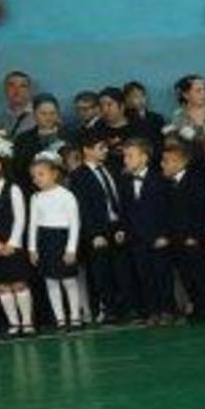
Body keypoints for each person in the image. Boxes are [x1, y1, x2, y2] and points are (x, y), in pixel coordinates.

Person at [70, 133, 128, 323]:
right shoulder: (78, 175)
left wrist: (122, 226)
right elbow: (83, 208)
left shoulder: (112, 168)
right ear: (87, 150)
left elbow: (120, 198)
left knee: (122, 270)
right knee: (102, 272)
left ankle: (126, 307)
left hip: (117, 226)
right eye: (100, 148)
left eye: (105, 147)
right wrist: (94, 234)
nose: (105, 151)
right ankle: (108, 309)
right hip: (97, 231)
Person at [27, 152, 84, 330]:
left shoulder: (67, 195)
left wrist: (71, 249)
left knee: (69, 281)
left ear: (54, 174)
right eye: (34, 176)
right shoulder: (35, 197)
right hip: (45, 241)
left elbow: (75, 224)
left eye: (41, 174)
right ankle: (59, 318)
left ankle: (75, 316)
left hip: (62, 239)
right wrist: (32, 248)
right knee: (51, 281)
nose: (37, 179)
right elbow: (33, 224)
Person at [118, 138, 172, 324]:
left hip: (158, 236)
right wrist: (122, 230)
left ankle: (167, 310)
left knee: (162, 275)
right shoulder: (124, 181)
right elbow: (124, 210)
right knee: (144, 276)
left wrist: (165, 234)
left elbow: (167, 210)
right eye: (125, 156)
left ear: (144, 158)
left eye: (130, 156)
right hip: (136, 237)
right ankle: (152, 311)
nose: (126, 159)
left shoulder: (160, 179)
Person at [0, 145, 35, 335]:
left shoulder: (12, 188)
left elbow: (20, 217)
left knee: (19, 283)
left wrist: (12, 243)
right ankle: (14, 323)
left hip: (13, 245)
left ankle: (27, 322)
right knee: (2, 286)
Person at [161, 142, 205, 321]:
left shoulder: (195, 182)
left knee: (200, 274)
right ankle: (196, 306)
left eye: (167, 161)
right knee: (186, 275)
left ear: (181, 162)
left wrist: (194, 235)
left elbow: (201, 211)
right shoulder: (168, 184)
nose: (163, 164)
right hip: (177, 239)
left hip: (193, 238)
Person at [13, 94, 67, 194]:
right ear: (34, 115)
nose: (48, 117)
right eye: (43, 113)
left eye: (52, 113)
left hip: (65, 192)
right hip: (32, 193)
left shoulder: (70, 136)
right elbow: (18, 172)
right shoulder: (22, 139)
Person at [123, 81, 167, 146]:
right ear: (127, 99)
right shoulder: (124, 119)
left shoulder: (157, 118)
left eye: (142, 95)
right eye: (135, 96)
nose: (140, 99)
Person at [0, 71, 34, 138]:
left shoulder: (40, 118)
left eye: (23, 86)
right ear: (5, 89)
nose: (16, 90)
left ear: (30, 91)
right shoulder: (0, 120)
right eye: (11, 85)